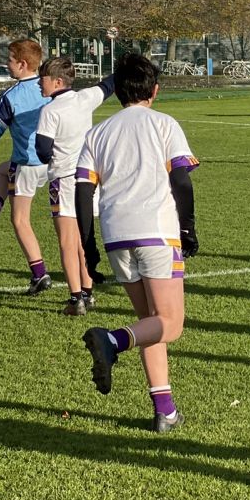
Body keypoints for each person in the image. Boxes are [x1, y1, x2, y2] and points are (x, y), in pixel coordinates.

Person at [77, 53, 198, 433]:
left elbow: (82, 191)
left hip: (116, 236)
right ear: (155, 90)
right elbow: (181, 179)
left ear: (117, 93)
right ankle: (112, 340)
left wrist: (88, 244)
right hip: (157, 232)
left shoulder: (98, 133)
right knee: (171, 324)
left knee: (152, 322)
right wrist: (189, 227)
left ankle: (165, 410)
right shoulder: (163, 124)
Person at [0, 39, 54, 295]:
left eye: (9, 60)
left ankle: (40, 274)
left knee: (20, 220)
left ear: (22, 64)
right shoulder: (51, 89)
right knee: (3, 170)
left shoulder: (12, 95)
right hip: (53, 163)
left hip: (27, 164)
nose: (6, 64)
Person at [35, 57, 116, 316]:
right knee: (84, 238)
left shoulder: (50, 111)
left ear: (57, 82)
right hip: (87, 179)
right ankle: (88, 293)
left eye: (43, 79)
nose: (39, 83)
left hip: (62, 180)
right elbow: (109, 85)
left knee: (68, 241)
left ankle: (75, 298)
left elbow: (43, 151)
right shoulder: (85, 98)